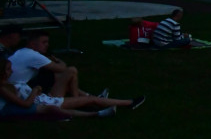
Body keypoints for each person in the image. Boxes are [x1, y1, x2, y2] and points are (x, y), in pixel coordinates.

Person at [1, 54, 141, 119]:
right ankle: (129, 103)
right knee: (91, 99)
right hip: (46, 102)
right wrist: (35, 90)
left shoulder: (8, 84)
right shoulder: (3, 88)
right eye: (8, 69)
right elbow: (25, 104)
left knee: (71, 72)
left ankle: (81, 101)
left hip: (45, 98)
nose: (11, 71)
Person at [8, 31, 104, 99]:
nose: (47, 45)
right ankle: (79, 100)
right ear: (33, 44)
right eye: (44, 42)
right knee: (70, 71)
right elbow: (62, 68)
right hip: (18, 90)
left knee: (55, 76)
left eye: (47, 42)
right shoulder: (33, 56)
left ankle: (88, 97)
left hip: (14, 86)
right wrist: (58, 60)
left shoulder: (21, 51)